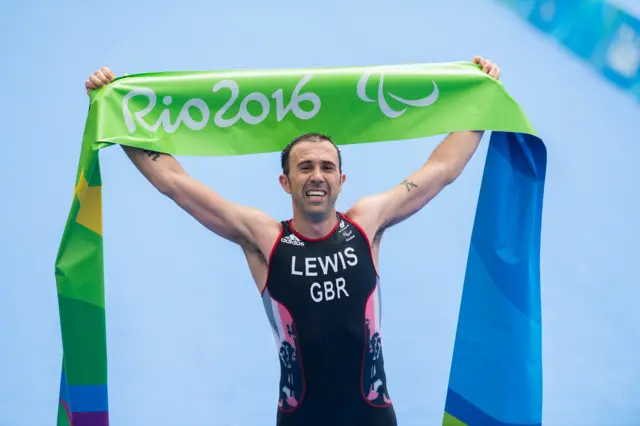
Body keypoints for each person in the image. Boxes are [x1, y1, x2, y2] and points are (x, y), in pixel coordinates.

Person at [85, 56, 501, 426]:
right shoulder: (264, 238)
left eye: (326, 167)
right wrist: (118, 115)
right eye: (304, 167)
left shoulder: (367, 223)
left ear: (341, 180)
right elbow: (175, 184)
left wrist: (482, 100)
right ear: (286, 182)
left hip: (372, 418)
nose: (316, 175)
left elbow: (442, 168)